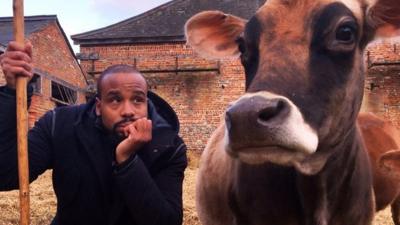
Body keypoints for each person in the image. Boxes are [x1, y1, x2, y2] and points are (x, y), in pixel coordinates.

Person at [0, 41, 187, 225]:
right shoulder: (60, 125)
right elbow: (6, 174)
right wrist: (11, 93)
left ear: (147, 104)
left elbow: (167, 220)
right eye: (115, 100)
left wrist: (127, 161)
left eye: (137, 100)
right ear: (99, 106)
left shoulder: (167, 146)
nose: (128, 110)